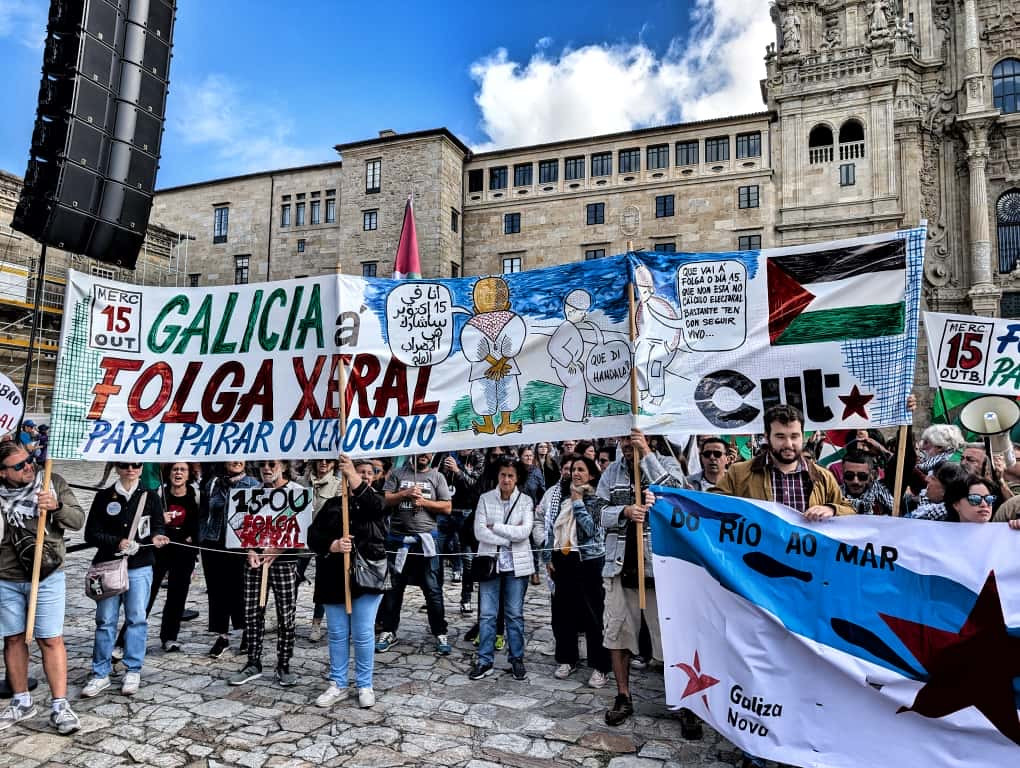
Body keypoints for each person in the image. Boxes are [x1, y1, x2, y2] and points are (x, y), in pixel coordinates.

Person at [591, 429, 699, 735]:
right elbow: (595, 510)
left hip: (660, 569)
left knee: (670, 640)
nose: (627, 444)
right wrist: (623, 511)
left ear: (648, 438)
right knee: (618, 634)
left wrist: (648, 458)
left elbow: (680, 496)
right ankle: (623, 696)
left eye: (633, 438)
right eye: (623, 439)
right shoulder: (611, 473)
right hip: (619, 566)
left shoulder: (665, 463)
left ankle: (682, 703)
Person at [0, 444, 84, 733]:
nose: (28, 467)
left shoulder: (52, 482)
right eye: (19, 466)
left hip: (47, 575)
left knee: (50, 639)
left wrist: (56, 507)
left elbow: (77, 520)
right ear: (2, 473)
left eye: (29, 460)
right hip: (6, 577)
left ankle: (60, 706)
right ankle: (21, 700)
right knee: (12, 639)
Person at [308, 457, 390, 709]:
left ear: (375, 476)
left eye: (368, 472)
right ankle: (338, 683)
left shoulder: (378, 502)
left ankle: (365, 684)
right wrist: (332, 545)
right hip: (334, 578)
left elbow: (375, 509)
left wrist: (353, 475)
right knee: (338, 633)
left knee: (363, 634)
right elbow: (313, 535)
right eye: (359, 471)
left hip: (367, 577)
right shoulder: (333, 504)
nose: (364, 476)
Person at [82, 461, 169, 697]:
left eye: (135, 465)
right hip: (109, 565)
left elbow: (158, 526)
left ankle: (133, 669)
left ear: (141, 468)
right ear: (116, 468)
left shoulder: (150, 496)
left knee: (137, 619)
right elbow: (91, 533)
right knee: (105, 620)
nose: (130, 469)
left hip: (139, 566)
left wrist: (158, 537)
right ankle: (100, 673)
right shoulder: (104, 496)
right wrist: (116, 542)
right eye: (124, 465)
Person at [228, 459, 304, 687]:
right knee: (252, 612)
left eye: (272, 464)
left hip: (284, 562)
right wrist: (250, 549)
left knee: (286, 614)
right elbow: (239, 524)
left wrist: (278, 549)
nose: (267, 468)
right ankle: (253, 662)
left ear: (283, 466)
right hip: (256, 562)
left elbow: (303, 528)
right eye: (263, 464)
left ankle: (284, 664)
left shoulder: (297, 493)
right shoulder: (252, 493)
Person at [714, 405, 855, 519]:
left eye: (794, 436)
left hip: (804, 553)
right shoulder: (739, 473)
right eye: (780, 436)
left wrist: (832, 509)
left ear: (803, 436)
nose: (788, 444)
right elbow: (710, 506)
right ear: (767, 437)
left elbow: (851, 512)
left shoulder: (823, 477)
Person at [116, 463, 199, 653]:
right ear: (168, 473)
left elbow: (200, 521)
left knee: (177, 596)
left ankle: (170, 637)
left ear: (188, 474)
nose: (178, 473)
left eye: (182, 470)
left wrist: (192, 538)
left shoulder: (196, 494)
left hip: (184, 552)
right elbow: (143, 521)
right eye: (175, 469)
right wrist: (160, 519)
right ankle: (124, 640)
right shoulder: (157, 494)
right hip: (158, 551)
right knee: (145, 596)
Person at [543, 456, 611, 687]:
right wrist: (548, 556)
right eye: (573, 469)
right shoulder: (563, 498)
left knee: (594, 616)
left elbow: (592, 529)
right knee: (563, 613)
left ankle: (600, 666)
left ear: (591, 474)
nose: (576, 473)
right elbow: (553, 528)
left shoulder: (597, 501)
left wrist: (579, 501)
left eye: (581, 469)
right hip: (564, 560)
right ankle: (567, 658)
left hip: (589, 561)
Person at [376, 453, 453, 655]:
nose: (424, 456)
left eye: (428, 453)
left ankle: (440, 631)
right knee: (393, 588)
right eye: (421, 452)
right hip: (398, 540)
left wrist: (425, 503)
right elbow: (385, 500)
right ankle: (389, 630)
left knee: (433, 589)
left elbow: (447, 506)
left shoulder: (437, 477)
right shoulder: (398, 474)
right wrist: (405, 493)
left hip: (427, 541)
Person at [468, 458, 535, 681]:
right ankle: (484, 660)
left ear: (517, 478)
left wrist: (495, 527)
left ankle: (516, 659)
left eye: (510, 476)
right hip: (490, 564)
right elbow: (479, 532)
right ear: (497, 476)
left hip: (517, 565)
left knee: (514, 614)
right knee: (487, 614)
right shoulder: (485, 499)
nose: (506, 479)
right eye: (503, 475)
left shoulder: (525, 501)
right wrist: (508, 537)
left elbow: (524, 532)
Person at [198, 461, 259, 658]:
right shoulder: (213, 483)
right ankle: (222, 635)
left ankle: (246, 632)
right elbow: (205, 511)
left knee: (240, 589)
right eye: (232, 456)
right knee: (216, 590)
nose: (236, 461)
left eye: (240, 457)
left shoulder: (254, 485)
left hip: (240, 544)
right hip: (213, 542)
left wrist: (253, 546)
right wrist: (201, 536)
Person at [301, 458, 341, 642]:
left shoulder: (338, 485)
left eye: (328, 461)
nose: (323, 464)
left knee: (322, 582)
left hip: (322, 539)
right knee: (293, 578)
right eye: (320, 461)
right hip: (301, 539)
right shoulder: (302, 483)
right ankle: (285, 617)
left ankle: (316, 623)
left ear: (334, 464)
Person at [441, 449, 483, 612]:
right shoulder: (448, 454)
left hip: (467, 512)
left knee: (468, 559)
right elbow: (438, 479)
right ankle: (434, 598)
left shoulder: (478, 457)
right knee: (438, 554)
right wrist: (445, 471)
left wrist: (457, 470)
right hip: (446, 510)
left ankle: (466, 598)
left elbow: (474, 484)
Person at [943, 474, 1020, 528]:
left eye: (989, 499)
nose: (984, 504)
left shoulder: (1005, 534)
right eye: (975, 499)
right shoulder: (940, 537)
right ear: (956, 505)